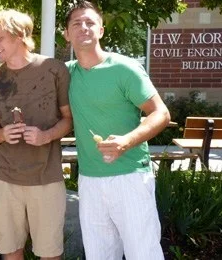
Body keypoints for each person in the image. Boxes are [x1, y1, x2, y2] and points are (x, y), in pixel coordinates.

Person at [62, 2, 169, 259]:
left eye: (90, 22)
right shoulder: (64, 74)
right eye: (76, 23)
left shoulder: (124, 68)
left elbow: (161, 113)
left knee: (143, 254)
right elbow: (25, 74)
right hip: (89, 180)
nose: (83, 27)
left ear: (101, 29)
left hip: (130, 176)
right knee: (99, 255)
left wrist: (127, 141)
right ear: (66, 34)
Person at [0, 9, 72, 260]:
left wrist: (46, 136)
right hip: (5, 178)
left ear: (19, 36)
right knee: (11, 252)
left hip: (47, 178)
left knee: (50, 254)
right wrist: (3, 134)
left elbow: (69, 120)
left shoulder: (54, 70)